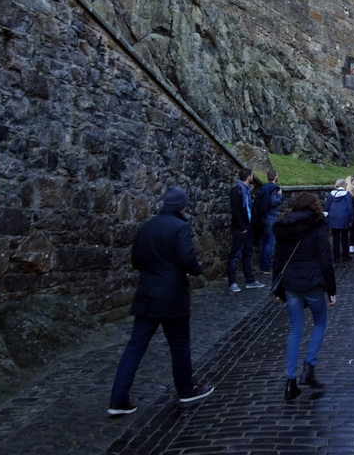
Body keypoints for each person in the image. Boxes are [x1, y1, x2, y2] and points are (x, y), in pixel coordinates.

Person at [107, 187, 214, 415]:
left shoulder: (147, 226)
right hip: (172, 295)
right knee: (179, 344)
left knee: (135, 347)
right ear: (182, 206)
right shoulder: (180, 227)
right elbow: (187, 259)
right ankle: (186, 389)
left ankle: (118, 398)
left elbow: (136, 260)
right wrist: (197, 269)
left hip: (147, 293)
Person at [273, 193, 337, 400]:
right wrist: (332, 290)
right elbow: (326, 260)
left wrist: (278, 289)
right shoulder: (317, 227)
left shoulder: (284, 227)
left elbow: (278, 260)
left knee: (295, 330)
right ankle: (308, 366)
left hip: (291, 283)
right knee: (320, 322)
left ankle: (291, 381)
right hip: (312, 281)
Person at [228, 168, 266, 292]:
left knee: (247, 254)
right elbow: (236, 211)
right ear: (249, 177)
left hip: (247, 227)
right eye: (252, 176)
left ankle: (250, 280)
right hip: (241, 229)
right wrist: (242, 227)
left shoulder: (246, 191)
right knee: (235, 256)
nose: (253, 177)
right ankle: (232, 282)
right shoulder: (237, 191)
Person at [256, 169, 283, 272]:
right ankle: (267, 266)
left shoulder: (264, 187)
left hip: (263, 215)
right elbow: (274, 201)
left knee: (265, 241)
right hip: (270, 215)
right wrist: (280, 196)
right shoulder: (275, 188)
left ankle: (263, 264)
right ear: (275, 177)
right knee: (270, 241)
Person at [325, 178, 354, 262]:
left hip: (333, 218)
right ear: (343, 185)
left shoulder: (331, 194)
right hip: (344, 218)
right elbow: (350, 208)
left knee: (335, 238)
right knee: (345, 237)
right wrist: (351, 219)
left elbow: (327, 206)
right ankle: (345, 255)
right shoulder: (347, 194)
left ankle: (336, 256)